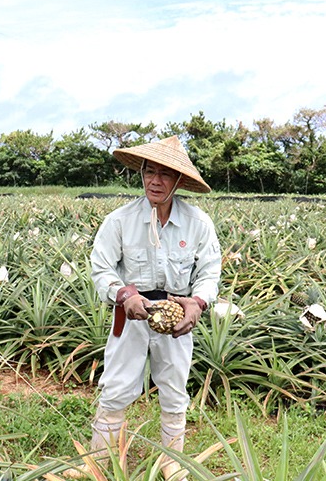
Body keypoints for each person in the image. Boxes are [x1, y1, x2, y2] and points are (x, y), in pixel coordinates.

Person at [66, 136, 221, 480]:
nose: (155, 180)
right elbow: (101, 268)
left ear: (179, 181)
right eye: (150, 172)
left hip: (178, 315)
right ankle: (98, 461)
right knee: (117, 385)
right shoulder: (120, 220)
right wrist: (122, 294)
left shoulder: (198, 223)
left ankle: (172, 462)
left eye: (165, 174)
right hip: (131, 314)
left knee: (174, 387)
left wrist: (197, 303)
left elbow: (210, 271)